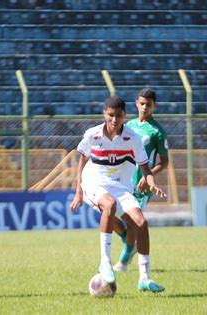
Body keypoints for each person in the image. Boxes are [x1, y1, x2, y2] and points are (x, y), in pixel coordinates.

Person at [69, 95, 166, 292]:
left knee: (141, 222)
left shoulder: (133, 138)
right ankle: (105, 263)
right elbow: (82, 161)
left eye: (119, 116)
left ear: (124, 115)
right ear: (104, 114)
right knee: (109, 205)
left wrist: (152, 183)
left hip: (121, 185)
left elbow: (145, 168)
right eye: (111, 115)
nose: (115, 120)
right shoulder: (92, 135)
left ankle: (144, 278)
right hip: (95, 181)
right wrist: (78, 192)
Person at [112, 88, 169, 273]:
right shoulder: (128, 126)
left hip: (141, 184)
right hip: (122, 179)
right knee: (108, 213)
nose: (144, 108)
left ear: (155, 107)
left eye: (149, 105)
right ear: (136, 103)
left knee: (134, 222)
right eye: (142, 104)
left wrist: (148, 175)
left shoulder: (157, 132)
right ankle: (128, 241)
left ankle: (123, 260)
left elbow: (165, 162)